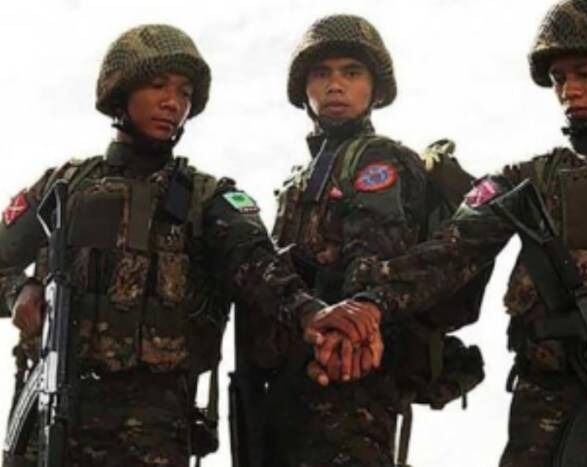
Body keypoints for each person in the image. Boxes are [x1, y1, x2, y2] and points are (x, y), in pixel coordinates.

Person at [329, 0, 587, 465]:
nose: (569, 90)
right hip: (549, 418)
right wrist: (366, 306)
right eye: (558, 79)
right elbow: (449, 252)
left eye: (585, 73)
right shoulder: (523, 182)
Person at [0, 23, 379, 467]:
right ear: (120, 91)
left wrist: (310, 312)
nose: (172, 103)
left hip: (151, 433)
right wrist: (18, 291)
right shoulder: (62, 187)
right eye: (158, 85)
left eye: (184, 93)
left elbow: (257, 265)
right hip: (49, 417)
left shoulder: (209, 198)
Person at [264, 14, 484, 467]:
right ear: (304, 88)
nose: (335, 85)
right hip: (293, 376)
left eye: (351, 72)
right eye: (321, 74)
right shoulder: (299, 180)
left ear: (375, 88)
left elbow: (374, 256)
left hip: (354, 376)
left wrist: (337, 342)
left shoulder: (378, 159)